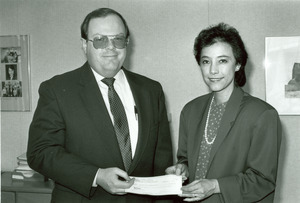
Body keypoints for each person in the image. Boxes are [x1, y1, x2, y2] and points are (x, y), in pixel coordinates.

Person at [27, 8, 173, 202]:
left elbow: (161, 160)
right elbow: (40, 152)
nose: (110, 47)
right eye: (100, 40)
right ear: (84, 45)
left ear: (127, 43)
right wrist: (96, 176)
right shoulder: (57, 89)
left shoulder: (151, 90)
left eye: (118, 39)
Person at [166, 23, 282, 202]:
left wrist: (215, 185)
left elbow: (263, 180)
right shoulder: (190, 111)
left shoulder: (262, 114)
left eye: (222, 60)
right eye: (206, 61)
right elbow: (185, 159)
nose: (213, 70)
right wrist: (182, 169)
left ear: (238, 64)